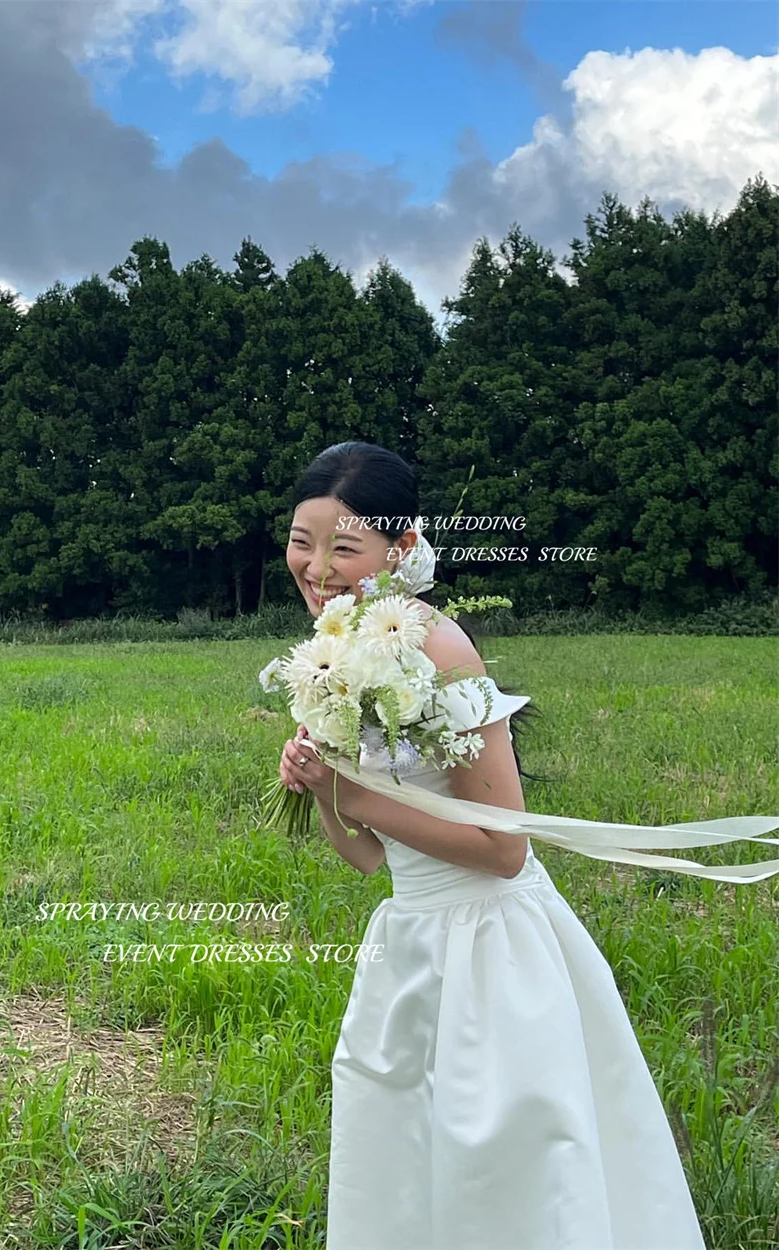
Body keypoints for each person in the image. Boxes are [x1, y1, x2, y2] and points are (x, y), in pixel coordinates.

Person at [279, 441, 707, 1250]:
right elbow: (373, 858)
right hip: (409, 943)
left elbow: (503, 848)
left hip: (491, 953)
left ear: (401, 549)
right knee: (406, 1160)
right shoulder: (338, 647)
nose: (317, 565)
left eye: (344, 546)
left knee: (507, 1171)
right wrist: (319, 788)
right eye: (304, 541)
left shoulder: (440, 651)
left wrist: (352, 791)